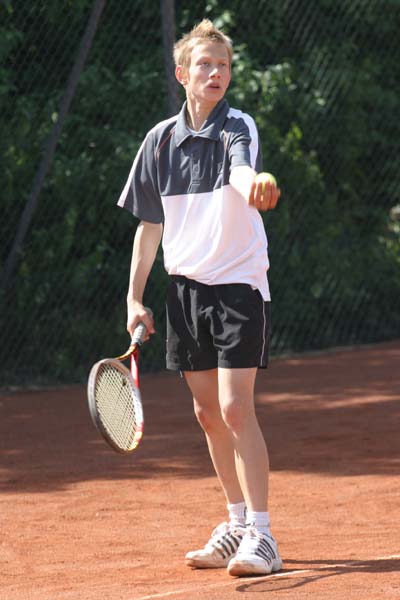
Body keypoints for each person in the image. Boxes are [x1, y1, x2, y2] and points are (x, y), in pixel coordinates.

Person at [117, 19, 282, 577]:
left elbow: (240, 171)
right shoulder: (159, 141)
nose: (216, 73)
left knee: (235, 408)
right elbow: (149, 227)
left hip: (237, 284)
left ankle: (263, 535)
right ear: (182, 74)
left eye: (224, 65)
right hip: (184, 290)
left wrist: (254, 184)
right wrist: (134, 298)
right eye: (205, 64)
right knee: (208, 414)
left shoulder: (238, 125)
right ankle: (234, 522)